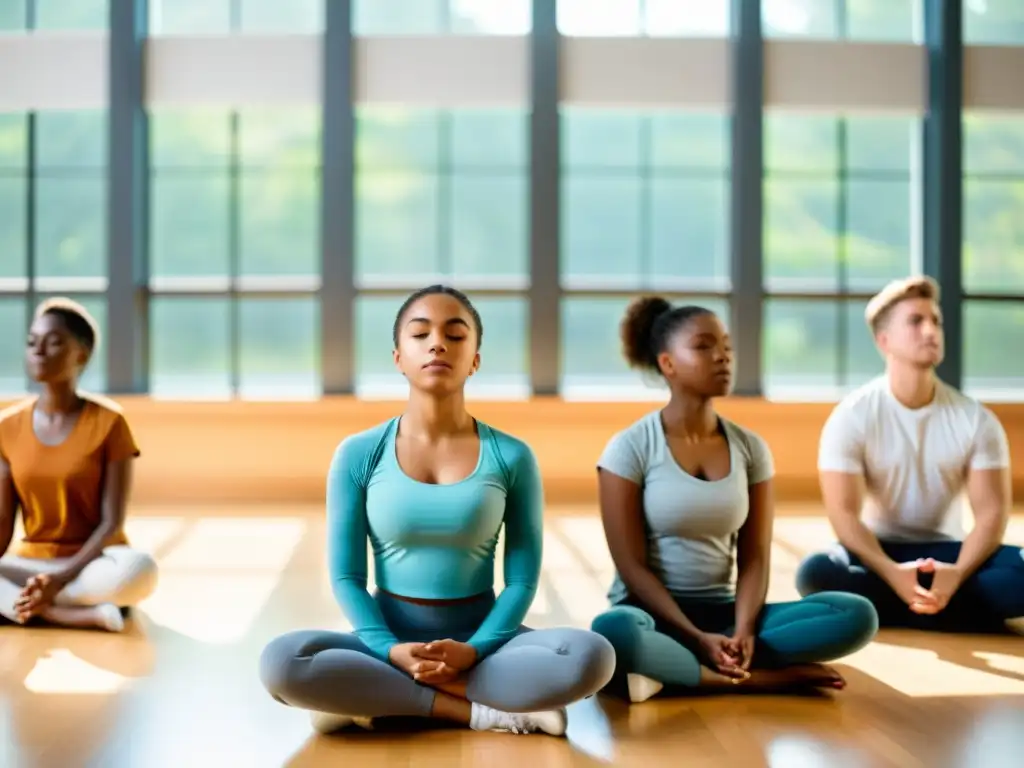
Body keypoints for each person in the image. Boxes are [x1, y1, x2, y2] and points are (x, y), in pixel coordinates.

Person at [259, 285, 615, 736]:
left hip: (485, 644)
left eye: (455, 334)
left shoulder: (512, 456)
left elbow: (522, 580)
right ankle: (477, 711)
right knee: (282, 663)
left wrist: (476, 649)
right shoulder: (358, 454)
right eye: (420, 333)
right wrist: (389, 650)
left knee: (591, 656)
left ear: (475, 359)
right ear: (398, 358)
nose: (437, 343)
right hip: (387, 641)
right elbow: (347, 578)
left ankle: (377, 698)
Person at [589, 296, 878, 703]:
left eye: (726, 346)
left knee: (856, 615)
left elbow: (755, 557)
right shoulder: (629, 448)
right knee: (613, 631)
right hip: (654, 617)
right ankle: (756, 678)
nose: (723, 356)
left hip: (725, 614)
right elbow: (632, 568)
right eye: (704, 346)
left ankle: (689, 668)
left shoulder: (751, 448)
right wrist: (695, 636)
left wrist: (742, 630)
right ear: (668, 364)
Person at [796, 276, 1024, 634]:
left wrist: (959, 573)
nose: (931, 330)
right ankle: (953, 611)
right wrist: (892, 574)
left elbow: (991, 513)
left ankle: (904, 607)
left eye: (936, 321)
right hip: (878, 555)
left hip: (950, 555)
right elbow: (843, 514)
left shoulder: (976, 419)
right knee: (816, 573)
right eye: (916, 321)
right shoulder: (851, 416)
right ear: (883, 340)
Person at [0, 298, 158, 632]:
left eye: (53, 342)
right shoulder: (6, 427)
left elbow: (112, 523)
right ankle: (67, 614)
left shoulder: (110, 422)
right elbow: (3, 522)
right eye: (32, 342)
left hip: (92, 563)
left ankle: (30, 604)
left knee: (141, 570)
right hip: (30, 563)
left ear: (81, 355)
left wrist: (59, 578)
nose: (39, 351)